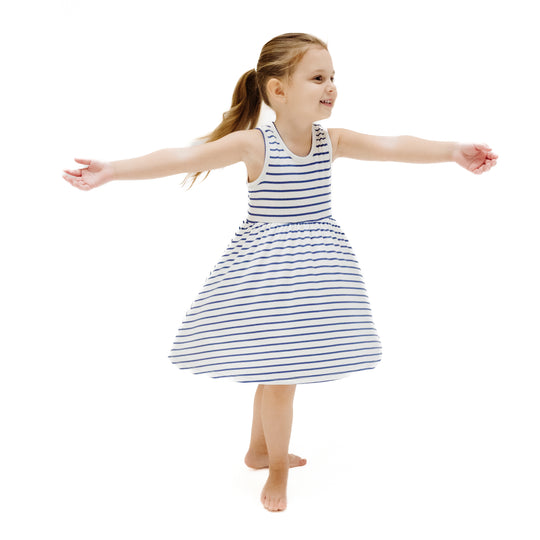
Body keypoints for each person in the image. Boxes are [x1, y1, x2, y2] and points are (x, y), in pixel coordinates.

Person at [62, 32, 498, 513]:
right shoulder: (254, 144)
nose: (331, 86)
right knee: (281, 374)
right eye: (318, 77)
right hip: (268, 276)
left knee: (275, 370)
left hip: (315, 274)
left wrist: (453, 151)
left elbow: (394, 145)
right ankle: (275, 469)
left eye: (333, 77)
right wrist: (112, 170)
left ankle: (257, 450)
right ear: (278, 89)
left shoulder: (331, 140)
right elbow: (181, 158)